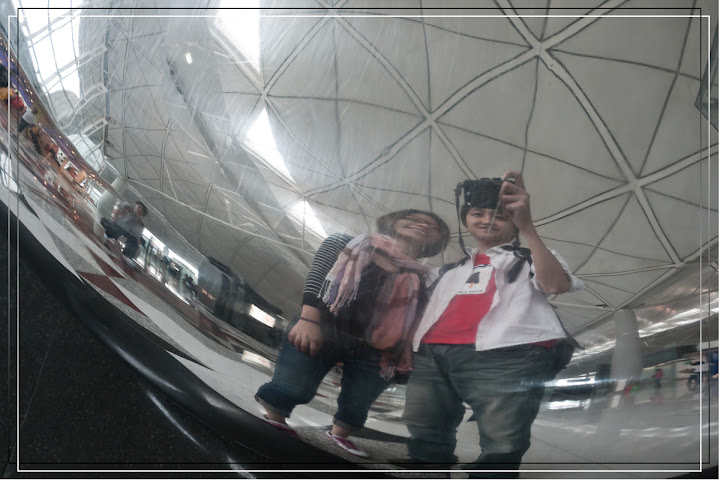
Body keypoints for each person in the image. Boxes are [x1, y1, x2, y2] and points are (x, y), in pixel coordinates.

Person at [400, 171, 584, 477]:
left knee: (503, 437)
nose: (488, 220)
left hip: (507, 354)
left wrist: (528, 227)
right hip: (431, 354)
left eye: (500, 215)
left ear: (513, 223)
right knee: (424, 424)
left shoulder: (530, 258)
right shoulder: (447, 271)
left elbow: (554, 284)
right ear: (465, 220)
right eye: (477, 213)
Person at [255, 209, 450, 458]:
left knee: (360, 399)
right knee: (294, 384)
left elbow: (419, 321)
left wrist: (405, 356)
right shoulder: (348, 244)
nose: (422, 225)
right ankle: (275, 417)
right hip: (325, 326)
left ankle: (340, 434)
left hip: (379, 348)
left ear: (438, 240)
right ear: (392, 222)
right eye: (413, 219)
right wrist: (308, 319)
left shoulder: (426, 279)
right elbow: (318, 278)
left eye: (433, 226)